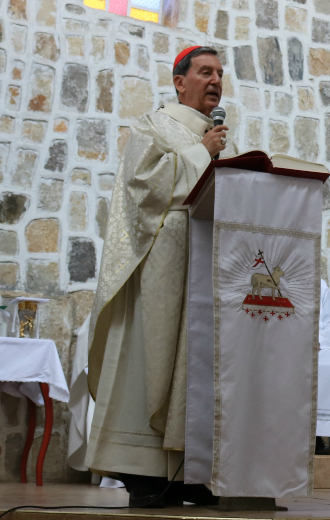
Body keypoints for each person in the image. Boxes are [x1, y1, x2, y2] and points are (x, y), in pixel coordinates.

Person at [88, 46, 235, 507]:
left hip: (203, 260)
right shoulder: (156, 126)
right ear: (179, 81)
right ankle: (144, 474)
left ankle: (186, 471)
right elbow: (143, 184)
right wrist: (200, 153)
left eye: (220, 74)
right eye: (205, 72)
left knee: (195, 366)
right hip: (161, 265)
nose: (215, 80)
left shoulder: (208, 133)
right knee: (150, 363)